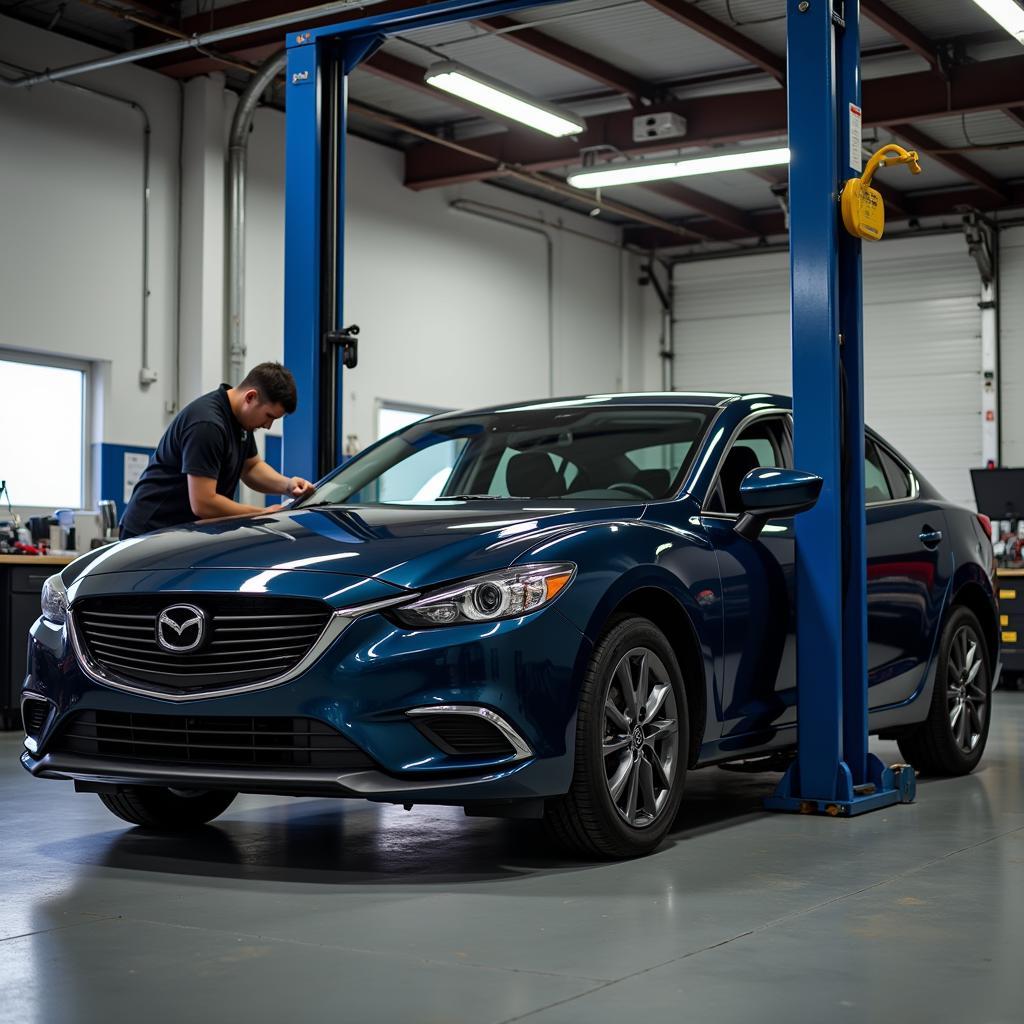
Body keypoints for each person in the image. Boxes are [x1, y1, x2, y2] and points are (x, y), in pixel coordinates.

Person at [119, 362, 314, 539]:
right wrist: (261, 514)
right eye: (268, 416)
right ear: (251, 397)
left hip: (181, 532)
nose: (268, 426)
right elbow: (203, 503)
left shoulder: (240, 422)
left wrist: (288, 485)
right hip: (150, 532)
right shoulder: (208, 424)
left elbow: (251, 467)